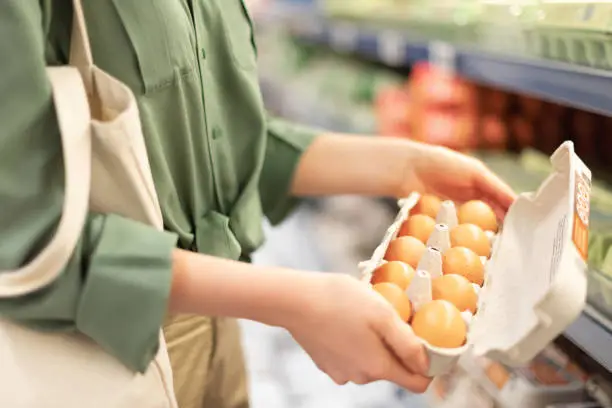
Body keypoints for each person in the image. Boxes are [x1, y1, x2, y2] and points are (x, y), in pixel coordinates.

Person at [0, 1, 515, 407]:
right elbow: (26, 244)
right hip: (99, 352)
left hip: (218, 329)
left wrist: (402, 167)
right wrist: (294, 303)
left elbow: (218, 150)